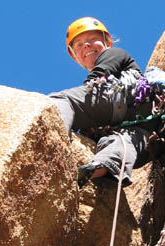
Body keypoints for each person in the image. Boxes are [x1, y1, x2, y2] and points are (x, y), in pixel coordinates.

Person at [49, 17, 154, 188]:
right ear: (75, 56)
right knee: (119, 144)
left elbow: (96, 80)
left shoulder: (114, 53)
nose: (86, 46)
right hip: (142, 128)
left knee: (60, 100)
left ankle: (53, 139)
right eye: (79, 44)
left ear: (108, 41)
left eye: (92, 39)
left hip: (115, 99)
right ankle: (99, 167)